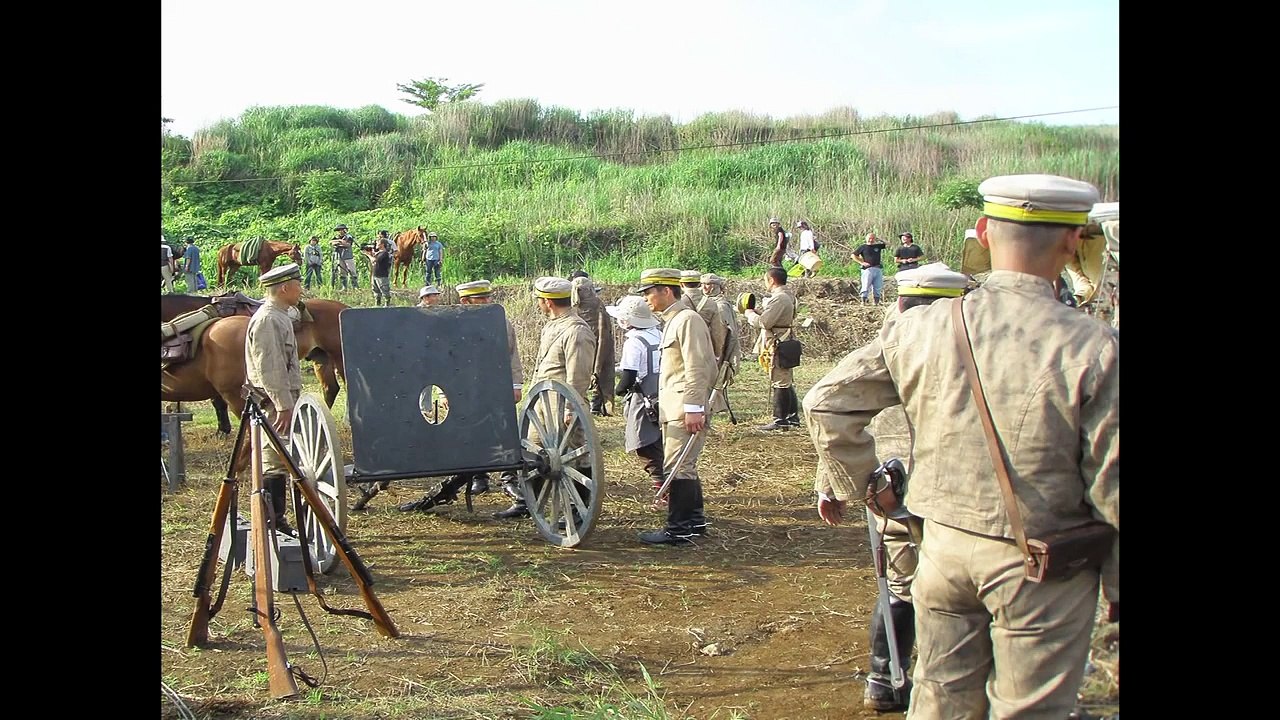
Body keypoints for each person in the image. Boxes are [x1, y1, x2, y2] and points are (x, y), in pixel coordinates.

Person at [803, 174, 1118, 719]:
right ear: (1074, 242)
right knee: (1029, 709)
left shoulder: (919, 328)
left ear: (983, 234)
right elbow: (1112, 480)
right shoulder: (1092, 344)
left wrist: (871, 489)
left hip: (941, 551)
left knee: (940, 699)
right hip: (1043, 565)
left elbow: (826, 401)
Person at [847, 261, 970, 712]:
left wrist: (856, 481)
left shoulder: (888, 345)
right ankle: (921, 679)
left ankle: (886, 678)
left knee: (901, 583)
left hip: (895, 487)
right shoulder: (979, 344)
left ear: (900, 302)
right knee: (952, 587)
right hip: (956, 491)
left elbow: (829, 405)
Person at [399, 279, 525, 510]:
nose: (487, 302)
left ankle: (509, 478)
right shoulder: (451, 324)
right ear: (465, 301)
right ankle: (478, 477)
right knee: (469, 431)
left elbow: (512, 355)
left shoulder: (500, 322)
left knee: (503, 428)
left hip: (494, 384)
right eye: (482, 299)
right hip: (465, 388)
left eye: (488, 297)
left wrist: (516, 385)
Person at [492, 277, 597, 520]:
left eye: (540, 300)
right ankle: (528, 502)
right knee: (533, 453)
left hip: (562, 407)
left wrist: (572, 409)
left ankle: (579, 510)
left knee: (576, 456)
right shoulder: (553, 324)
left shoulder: (576, 330)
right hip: (542, 406)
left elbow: (578, 376)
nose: (539, 304)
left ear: (547, 302)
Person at [635, 268, 717, 545]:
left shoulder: (687, 320)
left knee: (677, 466)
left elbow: (698, 365)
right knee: (683, 465)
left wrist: (694, 406)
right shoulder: (674, 320)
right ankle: (693, 522)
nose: (646, 299)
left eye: (649, 292)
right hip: (675, 406)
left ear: (666, 291)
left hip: (684, 407)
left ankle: (679, 528)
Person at [244, 262, 306, 536]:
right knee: (274, 459)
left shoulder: (280, 315)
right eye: (298, 284)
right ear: (284, 288)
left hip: (284, 398)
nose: (301, 289)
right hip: (273, 403)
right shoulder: (268, 319)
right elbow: (270, 368)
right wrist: (283, 405)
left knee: (282, 457)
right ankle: (274, 522)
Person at [606, 295, 664, 493]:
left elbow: (629, 375)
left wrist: (618, 391)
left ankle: (662, 486)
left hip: (645, 396)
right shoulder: (658, 334)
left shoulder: (634, 342)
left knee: (644, 442)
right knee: (661, 441)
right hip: (663, 392)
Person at [745, 267, 799, 431]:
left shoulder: (779, 298)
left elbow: (764, 322)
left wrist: (749, 314)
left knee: (780, 380)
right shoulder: (788, 296)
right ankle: (792, 417)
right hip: (785, 340)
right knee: (786, 380)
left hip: (777, 342)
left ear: (771, 280)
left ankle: (779, 419)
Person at [569, 272, 617, 417]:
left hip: (580, 344)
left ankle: (583, 403)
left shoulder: (572, 307)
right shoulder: (598, 304)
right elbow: (604, 330)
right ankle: (598, 405)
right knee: (602, 374)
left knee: (579, 372)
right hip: (598, 343)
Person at [700, 273, 740, 415]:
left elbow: (722, 332)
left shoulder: (720, 305)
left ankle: (714, 406)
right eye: (703, 284)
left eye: (709, 284)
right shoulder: (706, 302)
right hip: (710, 346)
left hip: (717, 347)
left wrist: (718, 352)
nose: (705, 287)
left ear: (717, 286)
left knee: (715, 378)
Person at [853, 233, 887, 303]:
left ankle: (876, 302)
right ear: (866, 238)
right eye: (869, 238)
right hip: (868, 269)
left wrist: (879, 238)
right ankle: (863, 301)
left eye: (872, 238)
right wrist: (862, 263)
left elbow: (887, 244)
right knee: (865, 285)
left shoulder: (878, 246)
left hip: (877, 269)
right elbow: (853, 255)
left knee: (877, 286)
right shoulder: (863, 247)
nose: (871, 240)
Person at [331, 224, 359, 289]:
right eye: (339, 230)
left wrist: (339, 242)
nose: (340, 231)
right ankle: (344, 287)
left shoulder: (348, 237)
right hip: (339, 256)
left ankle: (355, 286)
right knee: (342, 272)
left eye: (341, 230)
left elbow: (347, 244)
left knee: (352, 271)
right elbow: (332, 242)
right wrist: (339, 242)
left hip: (348, 256)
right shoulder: (336, 237)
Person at [371, 237, 393, 306]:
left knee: (384, 290)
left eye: (378, 243)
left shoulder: (385, 253)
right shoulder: (378, 253)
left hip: (382, 275)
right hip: (375, 274)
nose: (376, 244)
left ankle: (387, 304)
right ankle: (377, 304)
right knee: (376, 290)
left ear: (382, 244)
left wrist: (367, 254)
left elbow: (374, 260)